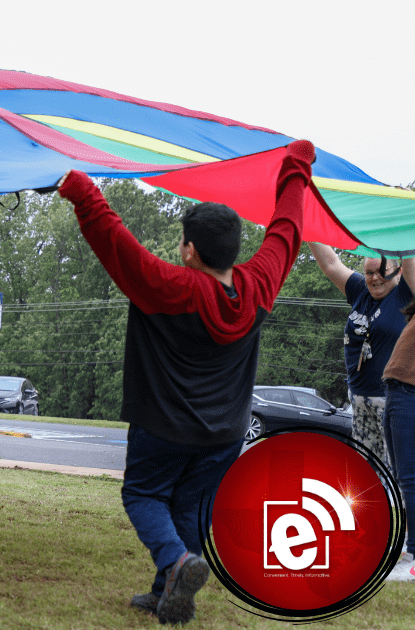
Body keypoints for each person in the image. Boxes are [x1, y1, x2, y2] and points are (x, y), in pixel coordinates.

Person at [50, 141, 315, 624]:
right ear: (234, 249)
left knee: (144, 496)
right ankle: (167, 595)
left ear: (189, 249)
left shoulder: (169, 285)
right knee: (192, 509)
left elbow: (114, 240)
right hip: (225, 433)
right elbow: (287, 230)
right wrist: (297, 166)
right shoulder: (258, 285)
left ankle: (175, 564)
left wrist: (77, 185)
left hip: (164, 427)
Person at [308, 242, 415, 464]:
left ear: (398, 271)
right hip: (359, 401)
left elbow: (410, 249)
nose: (375, 278)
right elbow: (330, 264)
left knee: (399, 474)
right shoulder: (360, 291)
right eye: (369, 272)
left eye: (381, 272)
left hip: (392, 404)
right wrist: (307, 222)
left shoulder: (405, 294)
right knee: (366, 473)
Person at [382, 298, 415, 581]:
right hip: (396, 393)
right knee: (401, 476)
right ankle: (407, 548)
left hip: (409, 396)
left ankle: (414, 555)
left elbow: (409, 268)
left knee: (409, 478)